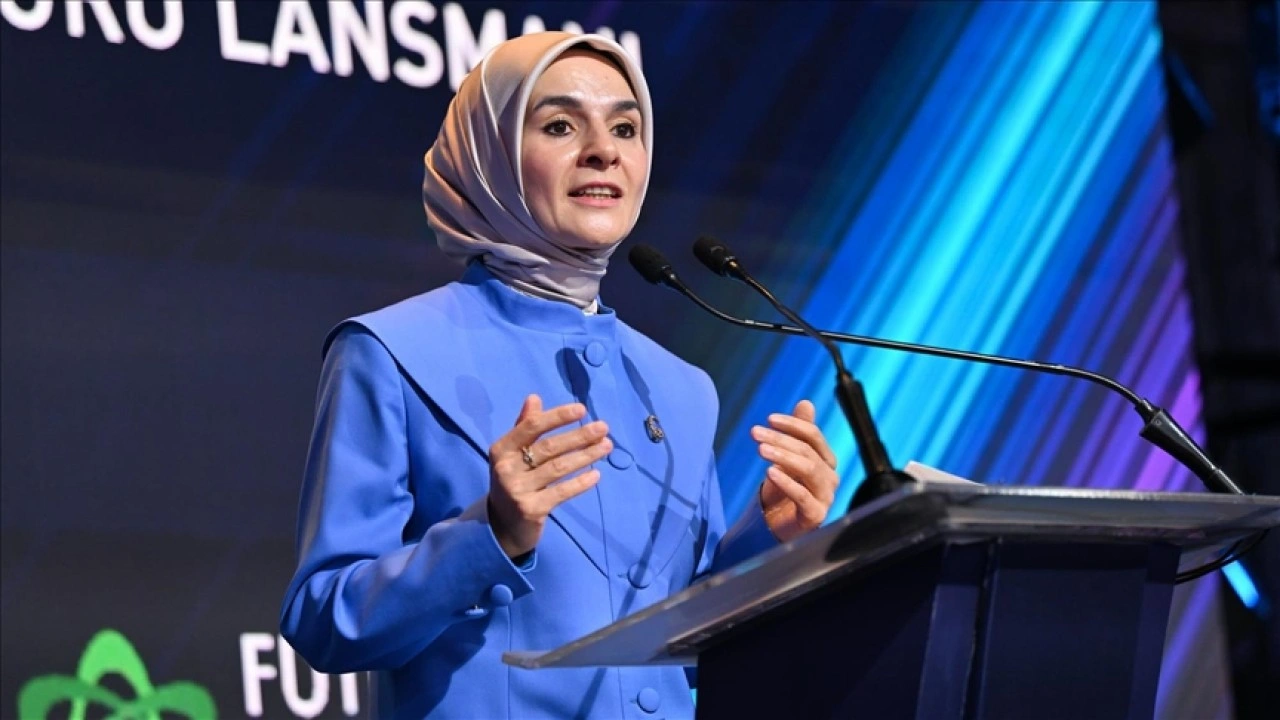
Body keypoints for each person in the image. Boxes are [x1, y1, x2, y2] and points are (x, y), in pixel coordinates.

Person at [279, 31, 840, 719]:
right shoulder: (389, 351)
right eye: (560, 125)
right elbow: (323, 619)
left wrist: (769, 538)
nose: (604, 150)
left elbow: (678, 638)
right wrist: (492, 534)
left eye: (625, 128)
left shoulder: (681, 386)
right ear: (489, 156)